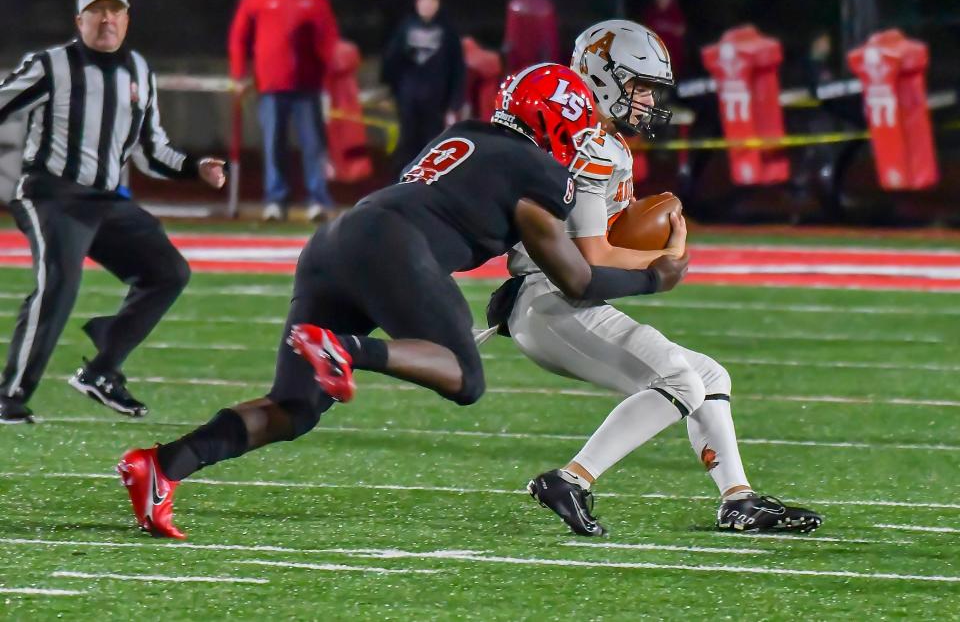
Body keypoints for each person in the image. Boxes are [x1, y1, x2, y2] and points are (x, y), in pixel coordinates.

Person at [116, 63, 690, 539]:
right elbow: (578, 279)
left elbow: (469, 211)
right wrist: (655, 278)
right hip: (394, 247)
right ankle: (345, 350)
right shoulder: (539, 170)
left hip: (336, 243)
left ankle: (163, 466)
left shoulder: (463, 134)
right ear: (558, 122)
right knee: (465, 377)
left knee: (296, 409)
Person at [483, 21, 821, 536]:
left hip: (558, 300)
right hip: (549, 300)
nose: (646, 101)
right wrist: (665, 257)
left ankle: (738, 498)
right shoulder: (592, 146)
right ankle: (572, 478)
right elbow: (593, 254)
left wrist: (637, 234)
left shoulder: (599, 142)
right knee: (678, 379)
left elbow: (593, 240)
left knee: (708, 378)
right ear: (600, 77)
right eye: (638, 87)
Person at [0, 0, 226, 425]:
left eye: (115, 10)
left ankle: (102, 371)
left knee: (168, 272)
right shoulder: (51, 65)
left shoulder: (139, 72)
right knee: (60, 283)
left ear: (126, 18)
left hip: (104, 199)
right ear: (79, 20)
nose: (107, 19)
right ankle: (9, 394)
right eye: (97, 11)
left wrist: (193, 168)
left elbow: (151, 150)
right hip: (50, 193)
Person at [228, 0, 339, 222]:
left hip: (308, 86)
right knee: (273, 144)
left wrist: (328, 80)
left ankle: (316, 199)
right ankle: (275, 200)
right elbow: (239, 37)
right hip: (271, 86)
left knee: (312, 145)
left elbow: (329, 40)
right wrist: (239, 74)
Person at [382, 0, 466, 176]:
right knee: (406, 144)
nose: (427, 5)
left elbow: (457, 69)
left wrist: (454, 104)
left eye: (432, 0)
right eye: (424, 0)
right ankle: (401, 183)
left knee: (433, 146)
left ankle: (428, 185)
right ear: (417, 2)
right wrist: (395, 91)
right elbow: (391, 63)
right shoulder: (405, 27)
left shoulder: (448, 31)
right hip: (409, 100)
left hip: (436, 102)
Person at [642, 0, 687, 80]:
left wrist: (668, 28)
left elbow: (681, 30)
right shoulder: (651, 13)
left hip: (672, 59)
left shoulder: (676, 12)